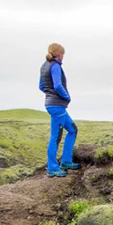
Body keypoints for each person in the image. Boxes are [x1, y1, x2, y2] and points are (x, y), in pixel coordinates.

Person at [38, 43, 80, 177]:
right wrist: (66, 96)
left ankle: (62, 163)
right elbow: (57, 85)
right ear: (59, 54)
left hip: (50, 105)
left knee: (58, 135)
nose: (63, 57)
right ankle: (56, 166)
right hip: (57, 106)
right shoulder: (55, 66)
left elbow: (41, 86)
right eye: (63, 55)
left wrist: (49, 94)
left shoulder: (44, 66)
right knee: (70, 131)